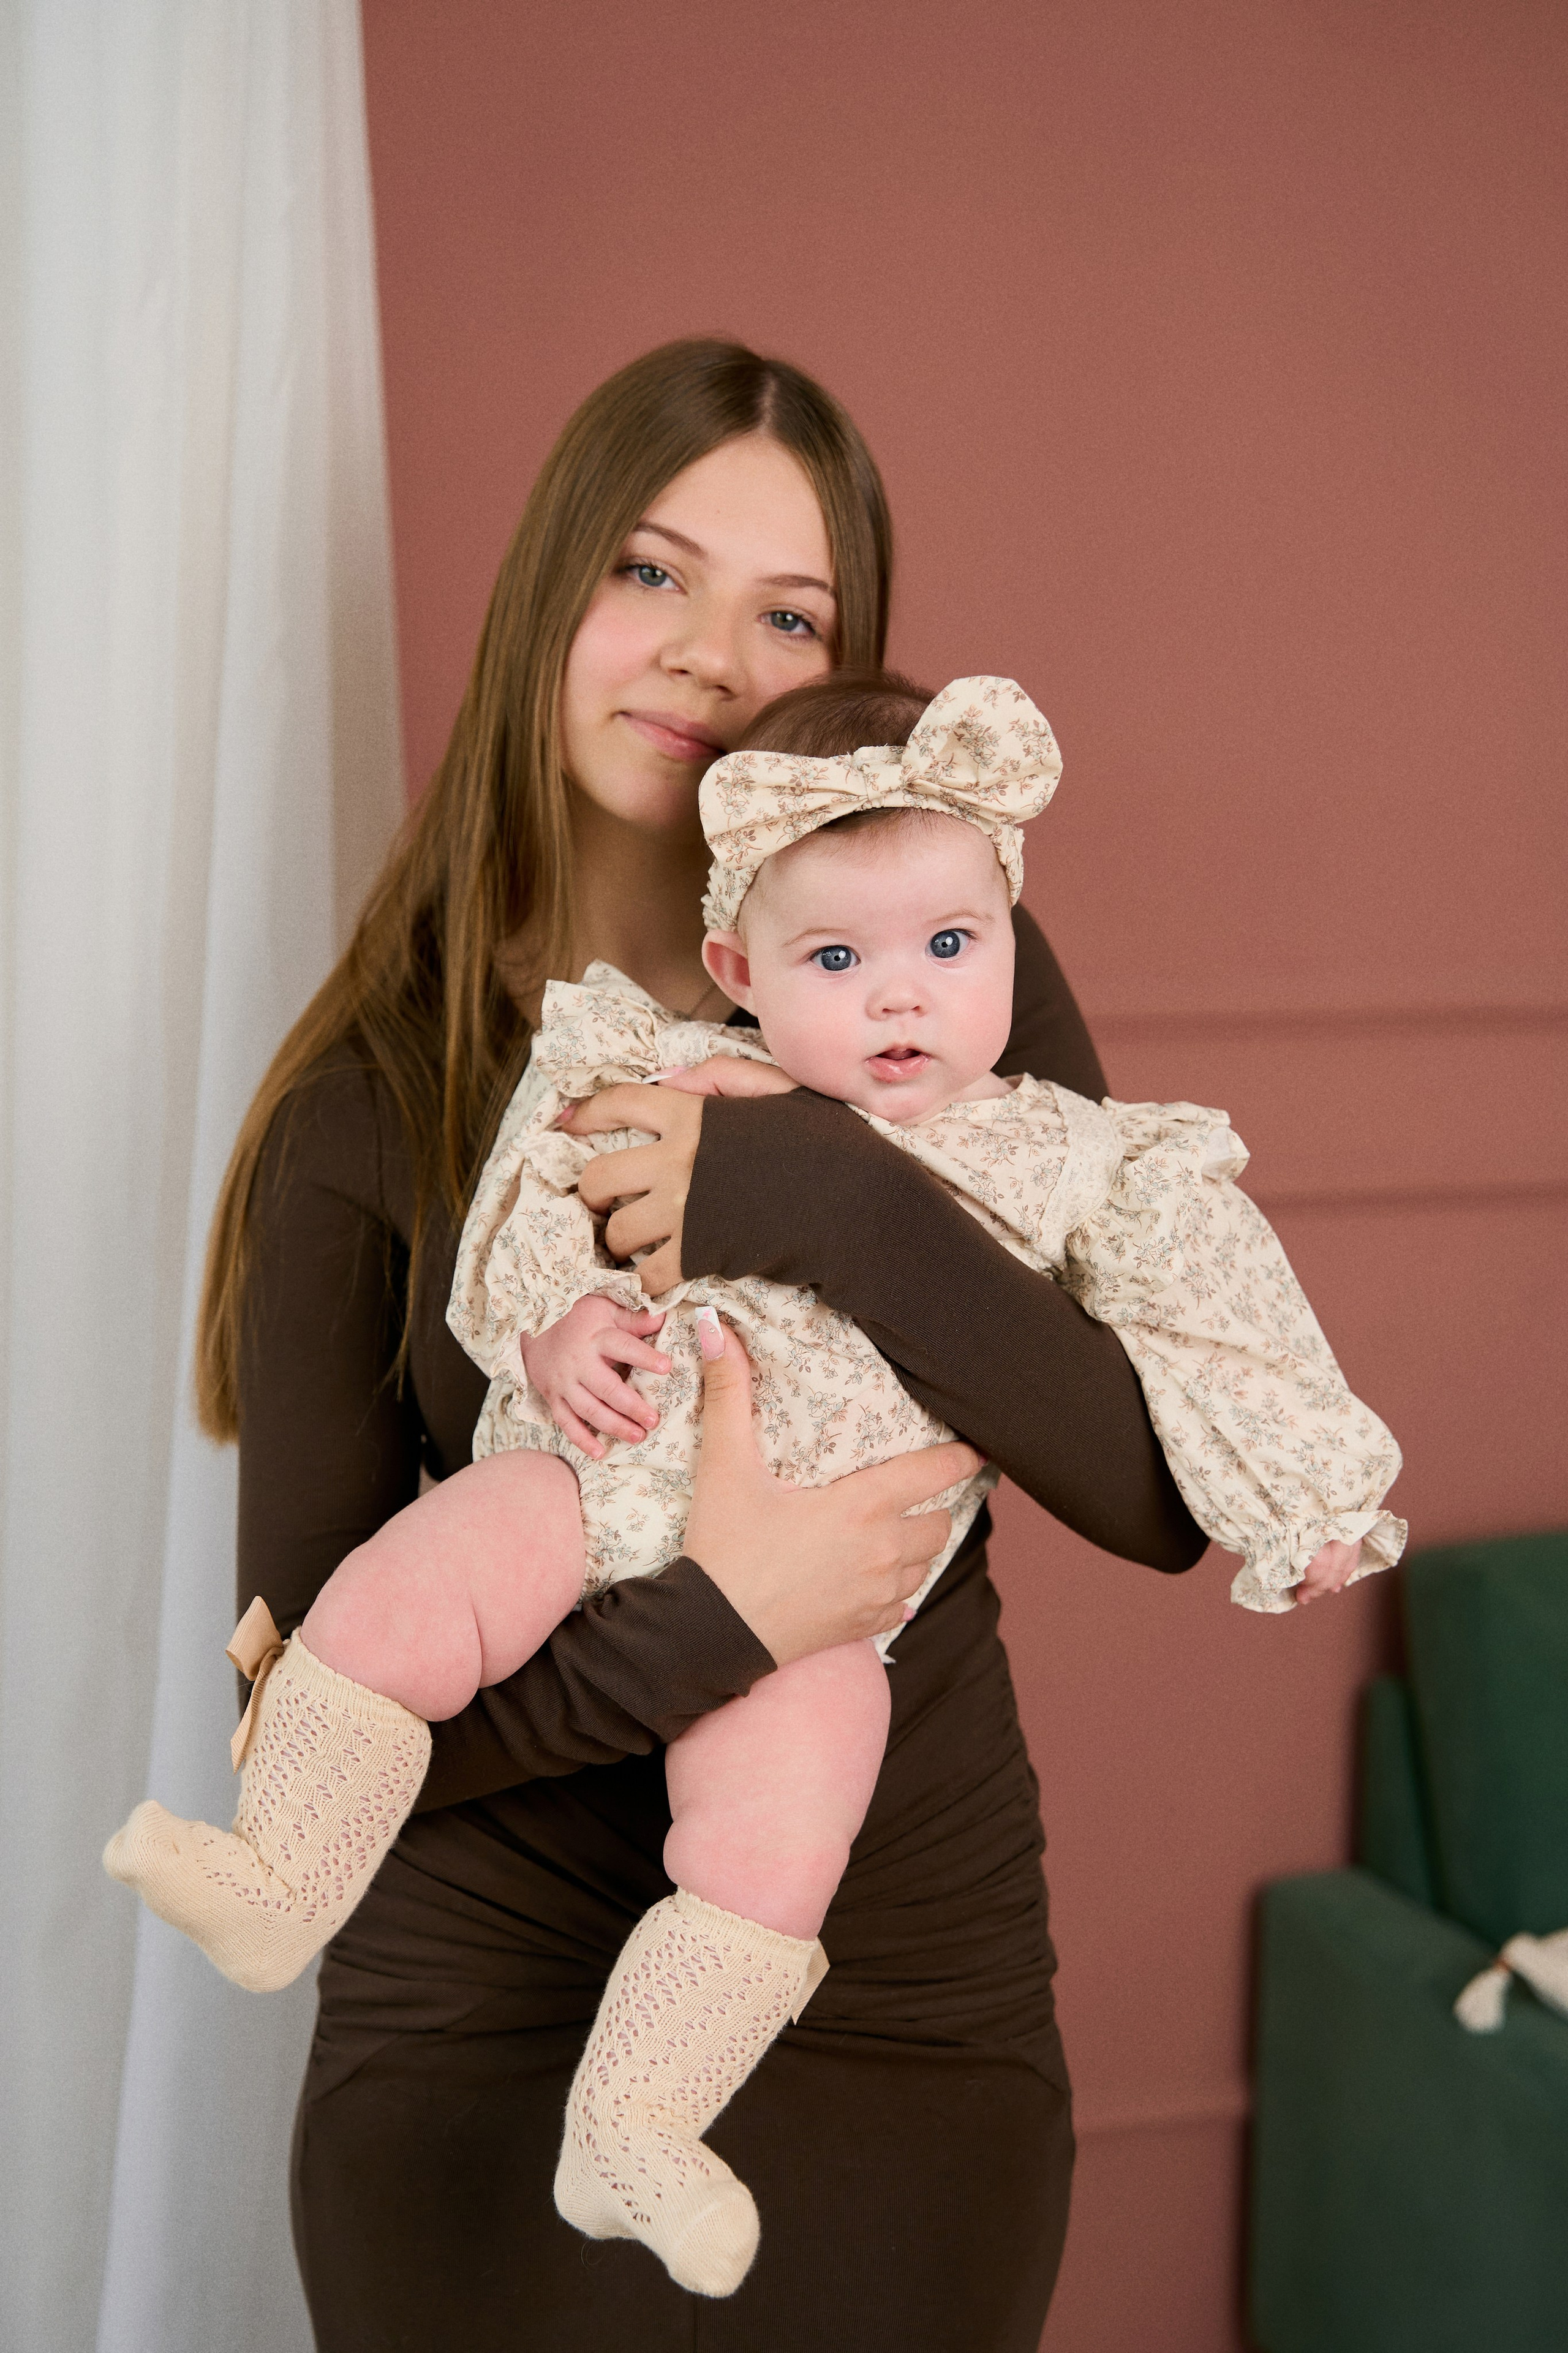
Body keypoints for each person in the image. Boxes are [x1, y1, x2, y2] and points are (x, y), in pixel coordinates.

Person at [119, 341, 1231, 2353]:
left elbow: (1159, 1490)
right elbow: (315, 1736)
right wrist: (721, 1614)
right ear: (553, 592)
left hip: (896, 1999)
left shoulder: (935, 965)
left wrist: (808, 1185)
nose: (710, 655)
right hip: (483, 2036)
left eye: (786, 611)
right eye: (652, 572)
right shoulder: (367, 1110)